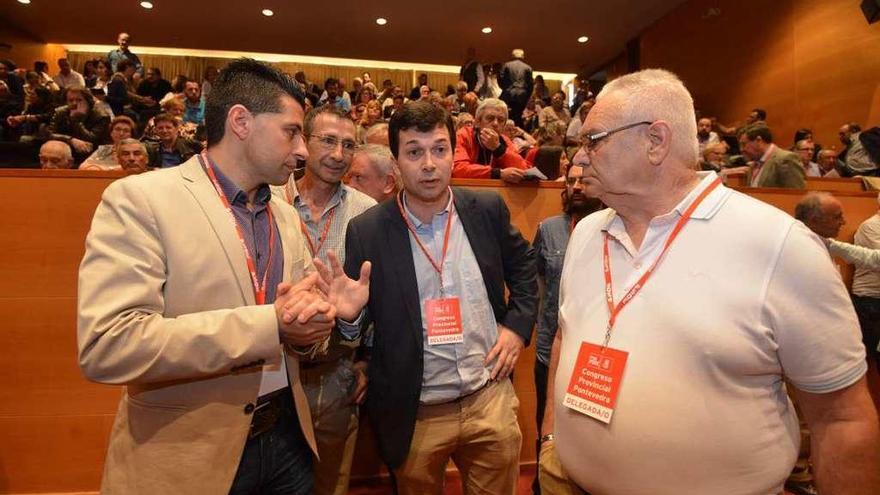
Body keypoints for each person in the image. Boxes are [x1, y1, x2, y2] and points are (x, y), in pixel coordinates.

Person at [546, 68, 879, 495]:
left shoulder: (779, 245)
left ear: (654, 141)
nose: (578, 156)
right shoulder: (587, 232)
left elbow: (842, 419)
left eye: (593, 140)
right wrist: (552, 440)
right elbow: (565, 336)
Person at [77, 57, 352, 495]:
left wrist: (323, 319)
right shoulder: (140, 200)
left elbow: (299, 335)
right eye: (292, 131)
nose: (303, 151)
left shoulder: (283, 215)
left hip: (288, 439)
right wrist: (270, 323)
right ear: (240, 121)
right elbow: (109, 344)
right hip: (189, 457)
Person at [332, 101, 538, 495]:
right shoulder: (368, 231)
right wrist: (348, 318)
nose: (429, 164)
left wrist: (515, 328)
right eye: (414, 152)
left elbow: (526, 269)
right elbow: (356, 324)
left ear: (452, 154)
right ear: (396, 162)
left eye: (439, 149)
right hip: (416, 411)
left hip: (488, 397)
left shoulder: (486, 209)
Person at [276, 105, 376, 495]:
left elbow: (379, 295)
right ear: (304, 141)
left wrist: (368, 361)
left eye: (348, 145)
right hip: (275, 369)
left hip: (336, 371)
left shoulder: (366, 213)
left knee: (331, 482)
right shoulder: (270, 201)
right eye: (329, 141)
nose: (338, 154)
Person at [532, 163, 602, 495]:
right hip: (550, 349)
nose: (576, 186)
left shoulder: (611, 229)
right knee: (545, 426)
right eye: (571, 180)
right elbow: (538, 283)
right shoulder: (548, 229)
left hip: (595, 357)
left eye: (583, 181)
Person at [453, 98, 530, 182]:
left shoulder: (504, 140)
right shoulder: (463, 135)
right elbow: (457, 169)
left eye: (500, 120)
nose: (495, 124)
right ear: (478, 122)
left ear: (504, 126)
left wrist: (498, 149)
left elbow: (524, 171)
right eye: (490, 118)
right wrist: (497, 173)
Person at [47, 86, 111, 161]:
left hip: (93, 153)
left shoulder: (101, 116)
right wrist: (71, 140)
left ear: (88, 101)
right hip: (66, 151)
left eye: (79, 100)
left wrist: (76, 120)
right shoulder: (60, 112)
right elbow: (49, 134)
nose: (74, 103)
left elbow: (92, 140)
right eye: (70, 100)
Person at [739, 123, 806, 188]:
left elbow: (795, 194)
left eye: (744, 144)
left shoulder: (786, 159)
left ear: (758, 141)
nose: (741, 149)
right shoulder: (753, 164)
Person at [499, 49, 534, 127]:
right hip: (522, 94)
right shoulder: (528, 68)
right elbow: (530, 84)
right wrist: (527, 95)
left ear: (512, 56)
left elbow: (500, 79)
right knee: (518, 116)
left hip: (508, 93)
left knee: (506, 114)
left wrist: (505, 88)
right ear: (523, 56)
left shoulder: (506, 65)